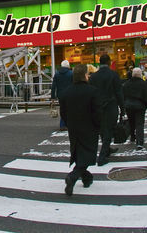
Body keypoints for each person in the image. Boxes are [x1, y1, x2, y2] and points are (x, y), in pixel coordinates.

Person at [59, 63, 101, 196]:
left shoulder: (66, 92)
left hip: (74, 128)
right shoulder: (93, 91)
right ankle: (73, 176)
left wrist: (69, 123)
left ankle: (87, 178)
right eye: (87, 74)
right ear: (84, 75)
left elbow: (63, 112)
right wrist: (98, 125)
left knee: (78, 153)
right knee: (87, 154)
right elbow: (97, 112)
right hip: (89, 127)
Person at [88, 54, 125, 165]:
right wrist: (122, 108)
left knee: (103, 129)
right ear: (109, 62)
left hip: (98, 107)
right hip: (110, 105)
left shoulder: (94, 77)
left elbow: (91, 93)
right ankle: (102, 156)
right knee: (109, 129)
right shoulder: (113, 75)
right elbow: (119, 92)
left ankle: (107, 149)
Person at [121, 66, 147, 149]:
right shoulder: (143, 84)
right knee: (139, 124)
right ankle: (139, 142)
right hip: (140, 106)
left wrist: (123, 105)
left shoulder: (126, 84)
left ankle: (132, 136)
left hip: (129, 105)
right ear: (140, 74)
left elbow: (123, 95)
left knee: (131, 122)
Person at [50, 59, 74, 131]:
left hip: (60, 95)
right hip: (70, 94)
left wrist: (52, 97)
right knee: (69, 110)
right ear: (68, 65)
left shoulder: (57, 74)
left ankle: (62, 125)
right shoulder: (71, 73)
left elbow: (53, 86)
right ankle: (67, 124)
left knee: (62, 109)